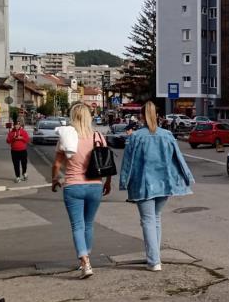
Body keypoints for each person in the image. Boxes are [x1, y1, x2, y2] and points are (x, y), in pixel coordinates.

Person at [120, 101, 194, 271]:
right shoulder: (167, 135)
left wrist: (124, 182)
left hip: (143, 185)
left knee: (148, 220)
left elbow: (127, 163)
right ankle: (156, 258)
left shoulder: (136, 136)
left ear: (141, 116)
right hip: (164, 183)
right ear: (157, 115)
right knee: (156, 218)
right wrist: (186, 177)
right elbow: (178, 159)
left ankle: (154, 261)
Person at [52, 103, 112, 279]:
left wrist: (55, 179)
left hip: (73, 186)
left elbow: (57, 164)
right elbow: (106, 162)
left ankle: (85, 261)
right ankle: (87, 259)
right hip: (95, 186)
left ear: (72, 117)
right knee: (88, 224)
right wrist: (108, 182)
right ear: (89, 117)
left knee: (77, 226)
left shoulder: (66, 137)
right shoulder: (98, 136)